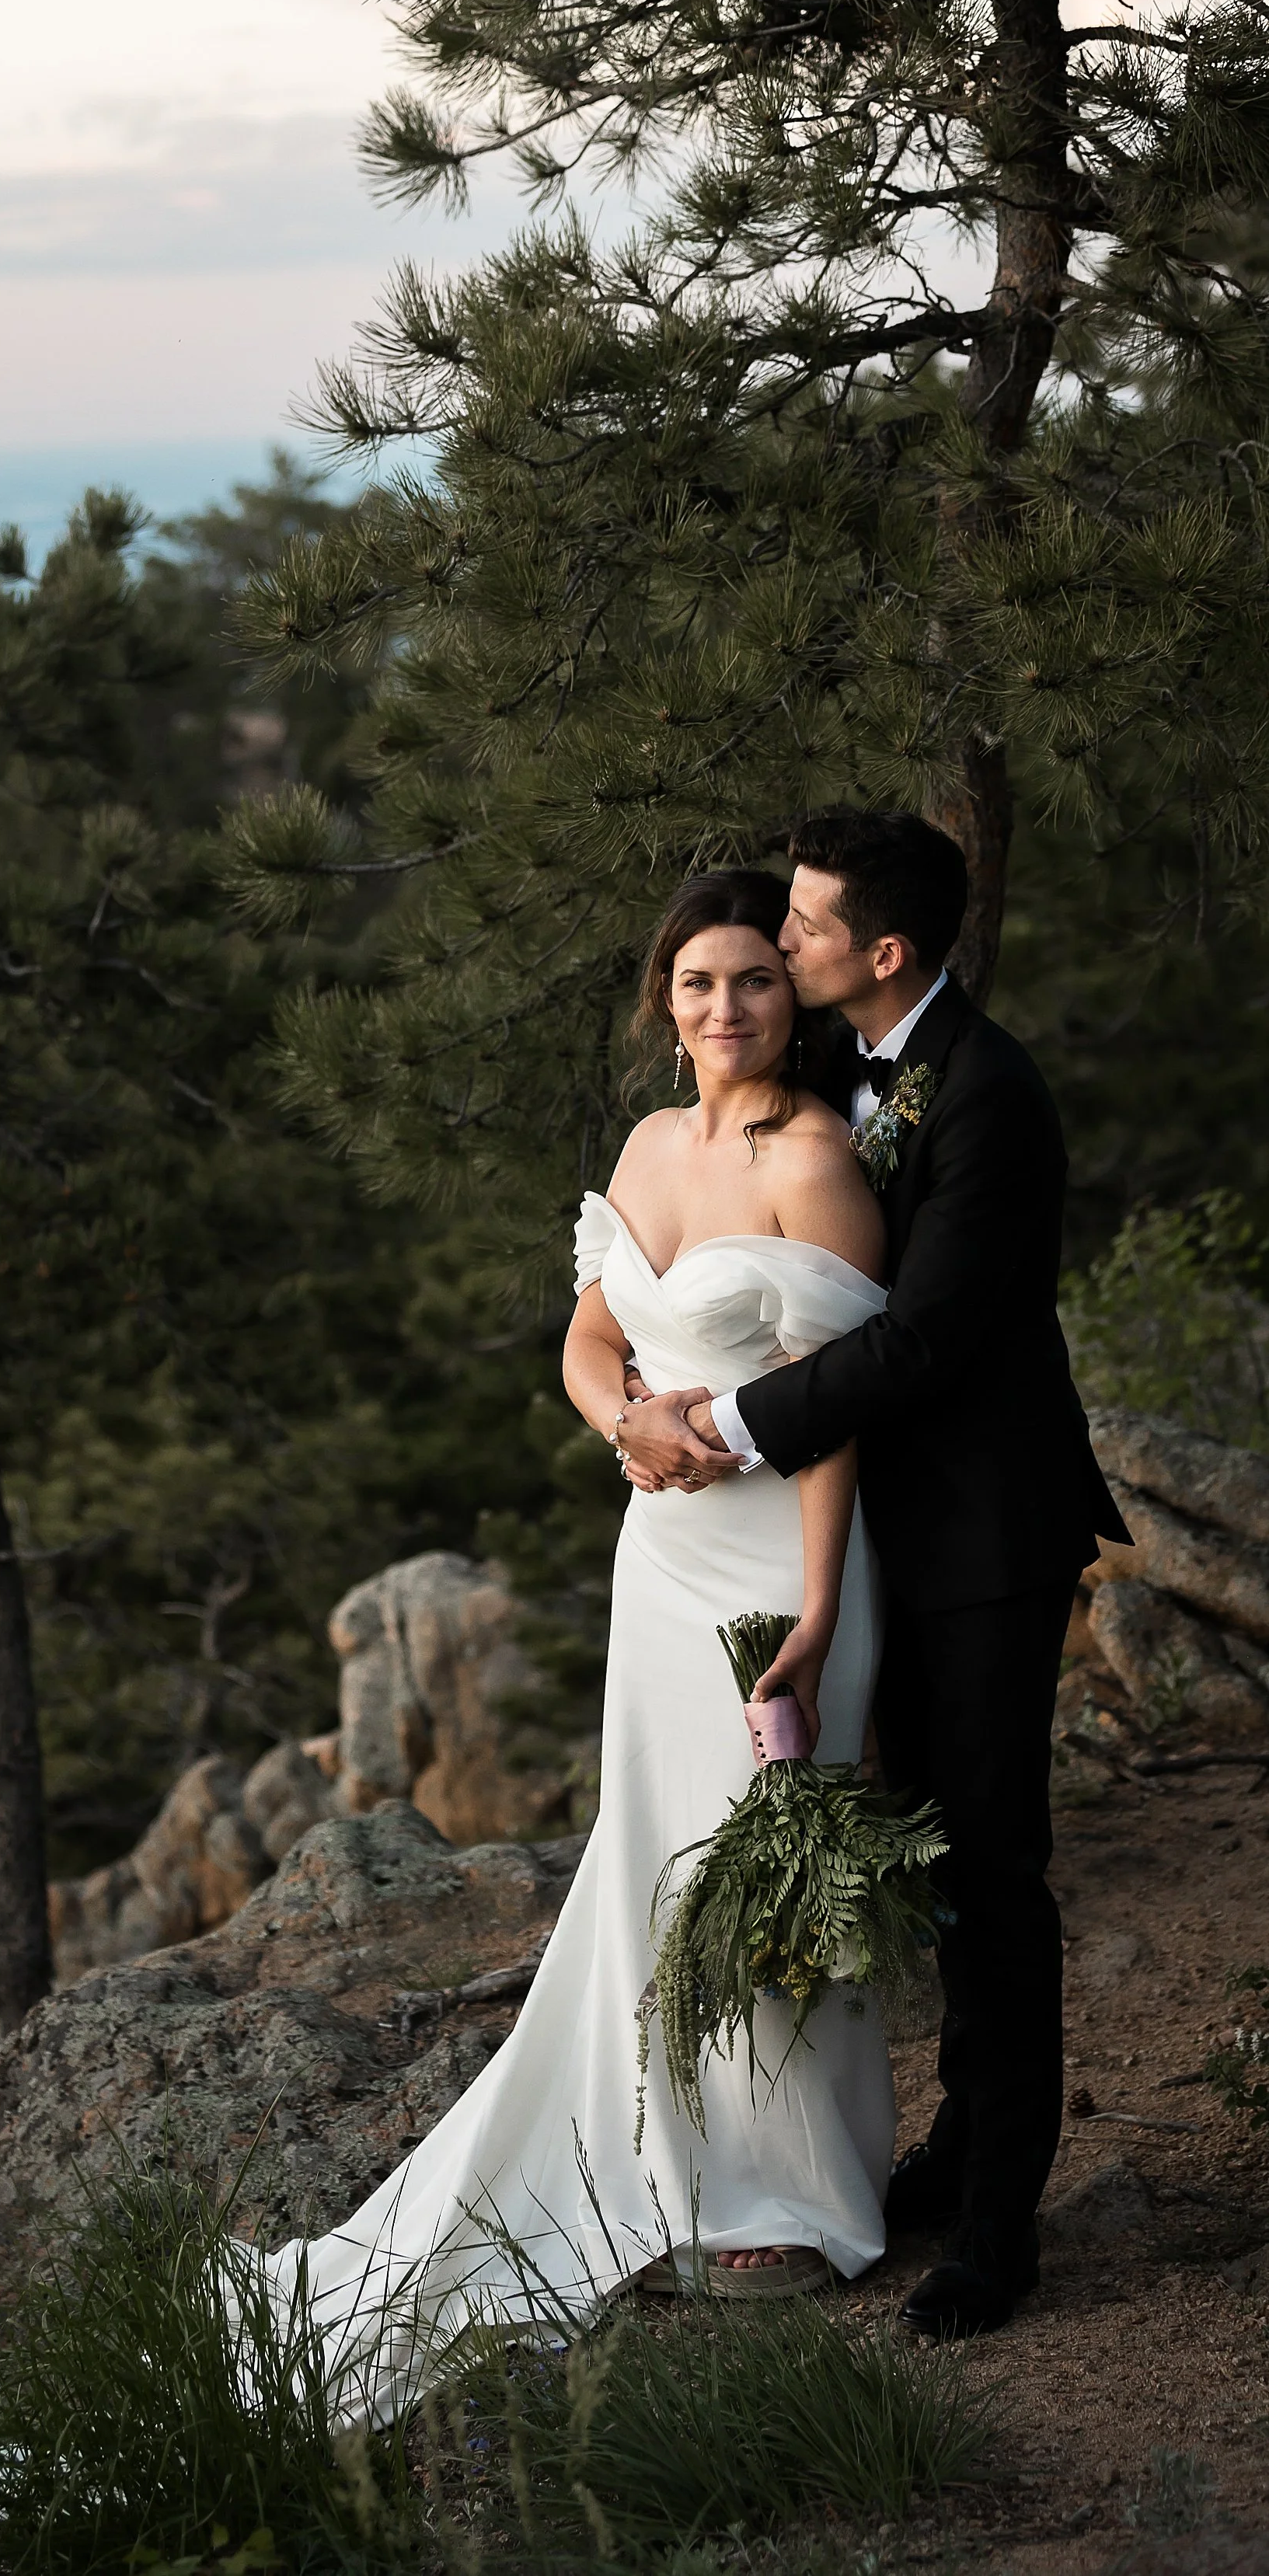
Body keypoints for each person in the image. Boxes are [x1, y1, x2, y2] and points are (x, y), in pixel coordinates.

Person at [241, 866, 899, 2421]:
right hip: (658, 1557)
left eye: (754, 977)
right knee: (662, 1847)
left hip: (780, 1563)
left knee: (765, 1851)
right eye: (698, 982)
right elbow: (592, 1336)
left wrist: (817, 1618)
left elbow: (839, 1418)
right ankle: (671, 2153)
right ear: (664, 1002)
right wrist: (626, 1425)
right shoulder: (649, 1145)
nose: (727, 1006)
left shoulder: (815, 1159)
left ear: (790, 994)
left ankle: (780, 2188)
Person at [617, 810, 1128, 2338]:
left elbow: (921, 1342)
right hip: (863, 1530)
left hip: (981, 1536)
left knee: (991, 1867)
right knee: (918, 1852)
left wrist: (722, 1422)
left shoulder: (988, 1093)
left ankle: (997, 2230)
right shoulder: (848, 1065)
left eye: (803, 928)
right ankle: (951, 2146)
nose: (780, 945)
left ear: (881, 952)